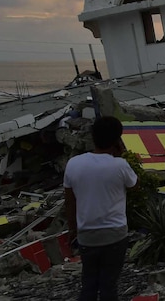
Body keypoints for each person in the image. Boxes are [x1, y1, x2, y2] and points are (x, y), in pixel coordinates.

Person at [64, 116, 138, 301]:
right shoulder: (120, 165)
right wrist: (120, 156)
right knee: (108, 285)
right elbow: (134, 186)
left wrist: (72, 230)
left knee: (88, 283)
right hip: (115, 235)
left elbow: (70, 202)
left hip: (87, 235)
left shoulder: (74, 164)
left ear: (93, 137)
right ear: (116, 140)